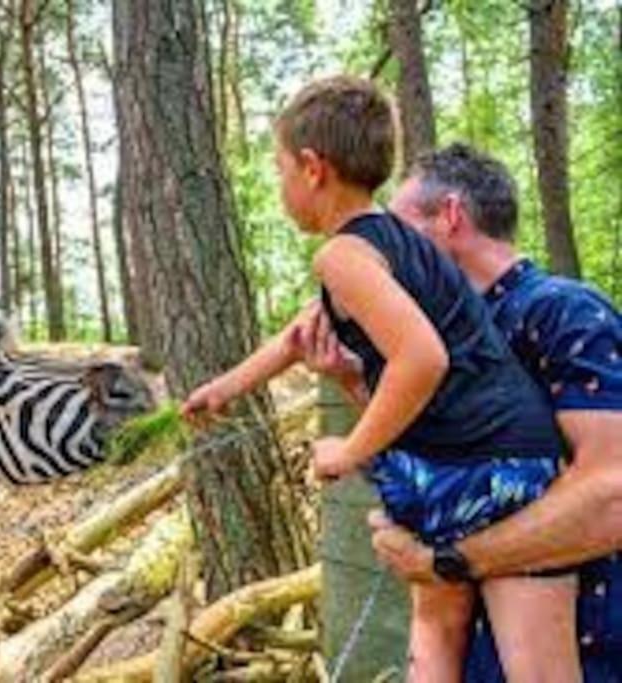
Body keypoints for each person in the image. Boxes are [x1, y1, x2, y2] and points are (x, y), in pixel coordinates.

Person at [180, 76, 579, 682]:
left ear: (313, 168)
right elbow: (300, 334)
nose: (280, 183)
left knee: (527, 666)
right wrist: (227, 388)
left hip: (485, 461)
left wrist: (351, 448)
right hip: (485, 458)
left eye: (280, 167)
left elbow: (422, 358)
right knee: (434, 636)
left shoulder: (342, 255)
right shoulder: (388, 241)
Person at [299, 142, 622, 681]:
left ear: (450, 216)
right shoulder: (452, 322)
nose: (385, 245)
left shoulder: (564, 312)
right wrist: (356, 381)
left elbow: (613, 493)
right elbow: (445, 446)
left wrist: (446, 560)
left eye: (396, 227)